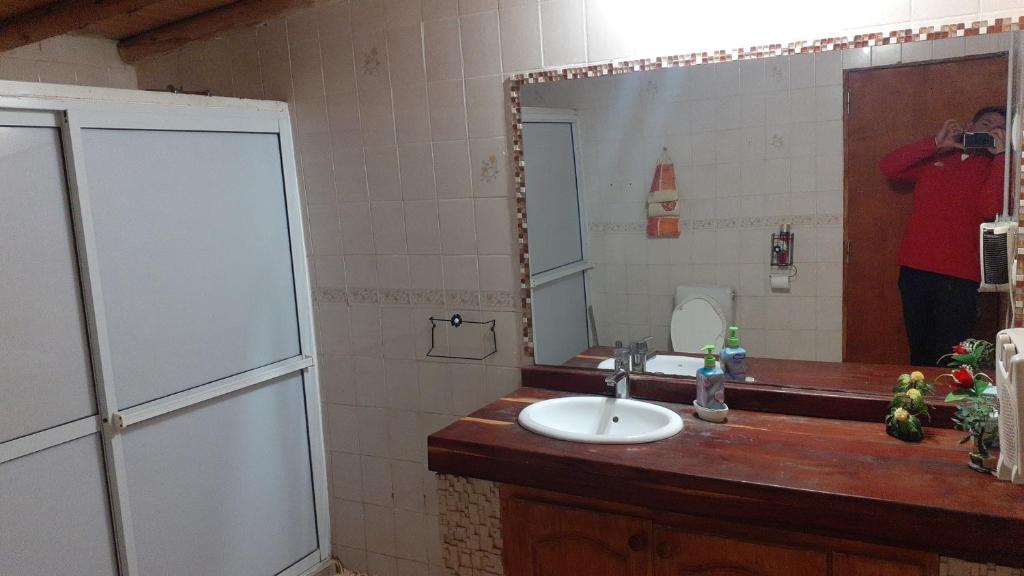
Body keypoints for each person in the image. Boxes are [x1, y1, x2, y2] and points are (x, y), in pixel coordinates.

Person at [879, 106, 1006, 367]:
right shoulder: (939, 158)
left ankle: (948, 407)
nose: (990, 129)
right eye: (986, 123)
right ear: (970, 125)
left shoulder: (997, 167)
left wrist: (1002, 157)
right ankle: (917, 405)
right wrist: (936, 143)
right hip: (915, 269)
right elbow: (890, 167)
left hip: (961, 275)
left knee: (953, 355)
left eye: (998, 128)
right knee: (920, 349)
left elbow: (990, 209)